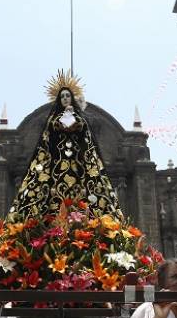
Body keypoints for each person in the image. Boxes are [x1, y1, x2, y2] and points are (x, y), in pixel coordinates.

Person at [8, 70, 122, 221]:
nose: (65, 98)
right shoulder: (52, 119)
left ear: (72, 98)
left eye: (68, 95)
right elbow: (47, 140)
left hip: (78, 163)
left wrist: (75, 118)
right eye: (62, 96)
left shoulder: (80, 118)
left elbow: (85, 137)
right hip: (56, 163)